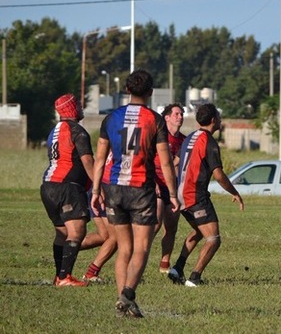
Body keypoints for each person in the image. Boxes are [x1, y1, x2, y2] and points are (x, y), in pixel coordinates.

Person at [91, 69, 179, 318]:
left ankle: (123, 302)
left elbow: (100, 160)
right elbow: (165, 162)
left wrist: (96, 190)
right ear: (150, 92)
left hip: (114, 189)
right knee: (142, 247)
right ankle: (128, 293)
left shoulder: (110, 119)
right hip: (141, 189)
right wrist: (172, 194)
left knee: (124, 249)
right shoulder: (155, 120)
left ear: (127, 90)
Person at [168, 104, 243, 287]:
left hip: (180, 195)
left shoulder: (190, 137)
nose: (220, 120)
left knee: (199, 231)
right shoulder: (208, 142)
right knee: (213, 239)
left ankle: (177, 268)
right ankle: (194, 278)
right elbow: (218, 175)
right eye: (219, 116)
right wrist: (234, 192)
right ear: (213, 121)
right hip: (195, 196)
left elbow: (174, 162)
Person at [40, 94, 94, 287]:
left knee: (62, 234)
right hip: (67, 186)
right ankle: (64, 277)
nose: (81, 107)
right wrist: (98, 186)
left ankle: (59, 276)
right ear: (71, 108)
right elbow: (87, 160)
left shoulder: (54, 130)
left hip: (47, 185)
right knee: (77, 232)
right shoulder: (77, 130)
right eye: (78, 104)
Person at [156, 103, 186, 274]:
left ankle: (164, 263)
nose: (180, 116)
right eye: (176, 114)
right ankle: (137, 256)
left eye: (181, 114)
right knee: (154, 225)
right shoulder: (158, 136)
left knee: (171, 227)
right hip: (158, 185)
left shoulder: (184, 140)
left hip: (174, 188)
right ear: (166, 117)